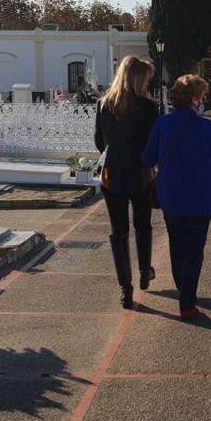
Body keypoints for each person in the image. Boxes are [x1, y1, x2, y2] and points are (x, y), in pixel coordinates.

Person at [141, 74, 211, 319]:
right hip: (199, 196)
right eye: (203, 96)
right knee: (194, 249)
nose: (203, 100)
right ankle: (187, 303)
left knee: (176, 242)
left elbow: (148, 157)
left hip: (170, 194)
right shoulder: (205, 127)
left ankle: (182, 287)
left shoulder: (163, 124)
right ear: (194, 99)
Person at [95, 56, 159, 310]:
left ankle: (126, 288)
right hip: (140, 173)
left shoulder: (104, 105)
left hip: (112, 174)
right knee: (142, 226)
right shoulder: (148, 106)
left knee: (118, 232)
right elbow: (153, 143)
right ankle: (145, 271)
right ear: (139, 78)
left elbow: (99, 142)